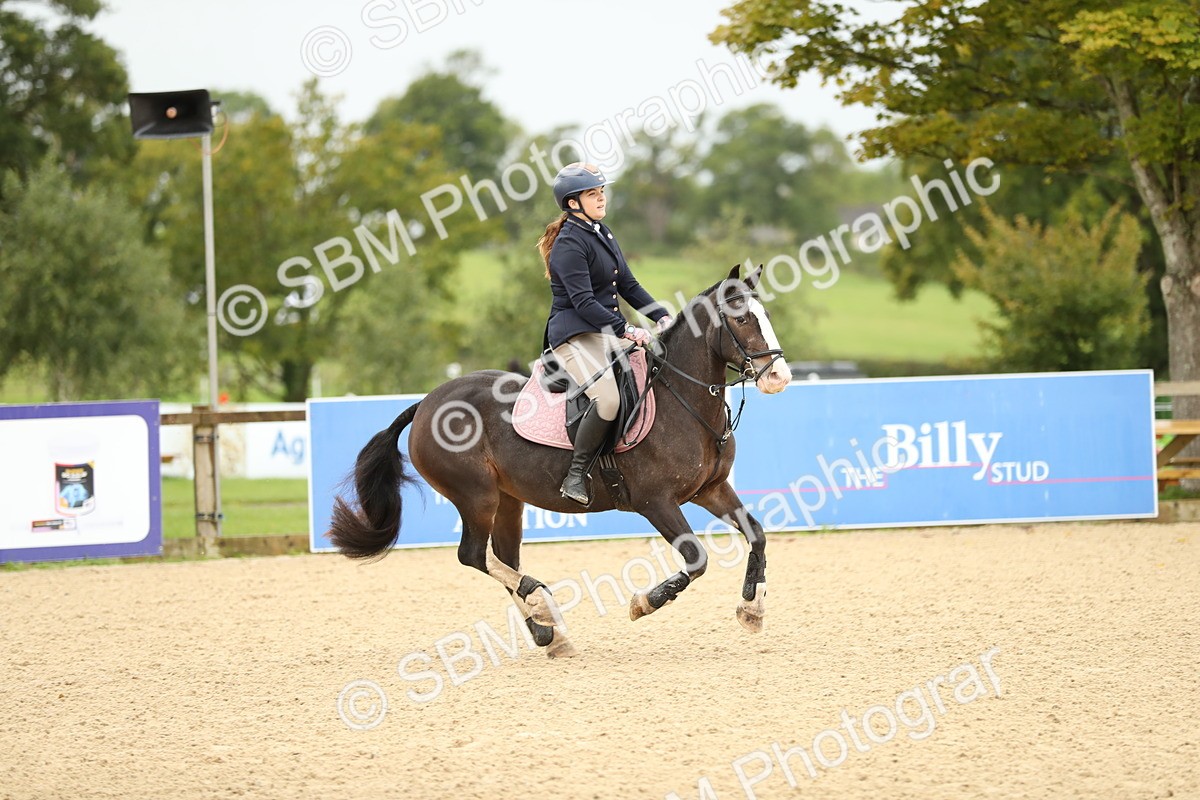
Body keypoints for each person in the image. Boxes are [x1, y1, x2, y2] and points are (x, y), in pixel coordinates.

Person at [536, 163, 673, 505]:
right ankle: (576, 475)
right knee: (608, 399)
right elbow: (583, 302)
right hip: (575, 334)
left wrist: (662, 316)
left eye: (601, 192)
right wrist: (626, 328)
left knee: (653, 365)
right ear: (572, 204)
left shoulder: (602, 232)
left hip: (604, 331)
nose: (601, 198)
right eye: (592, 194)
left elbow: (627, 284)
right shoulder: (569, 244)